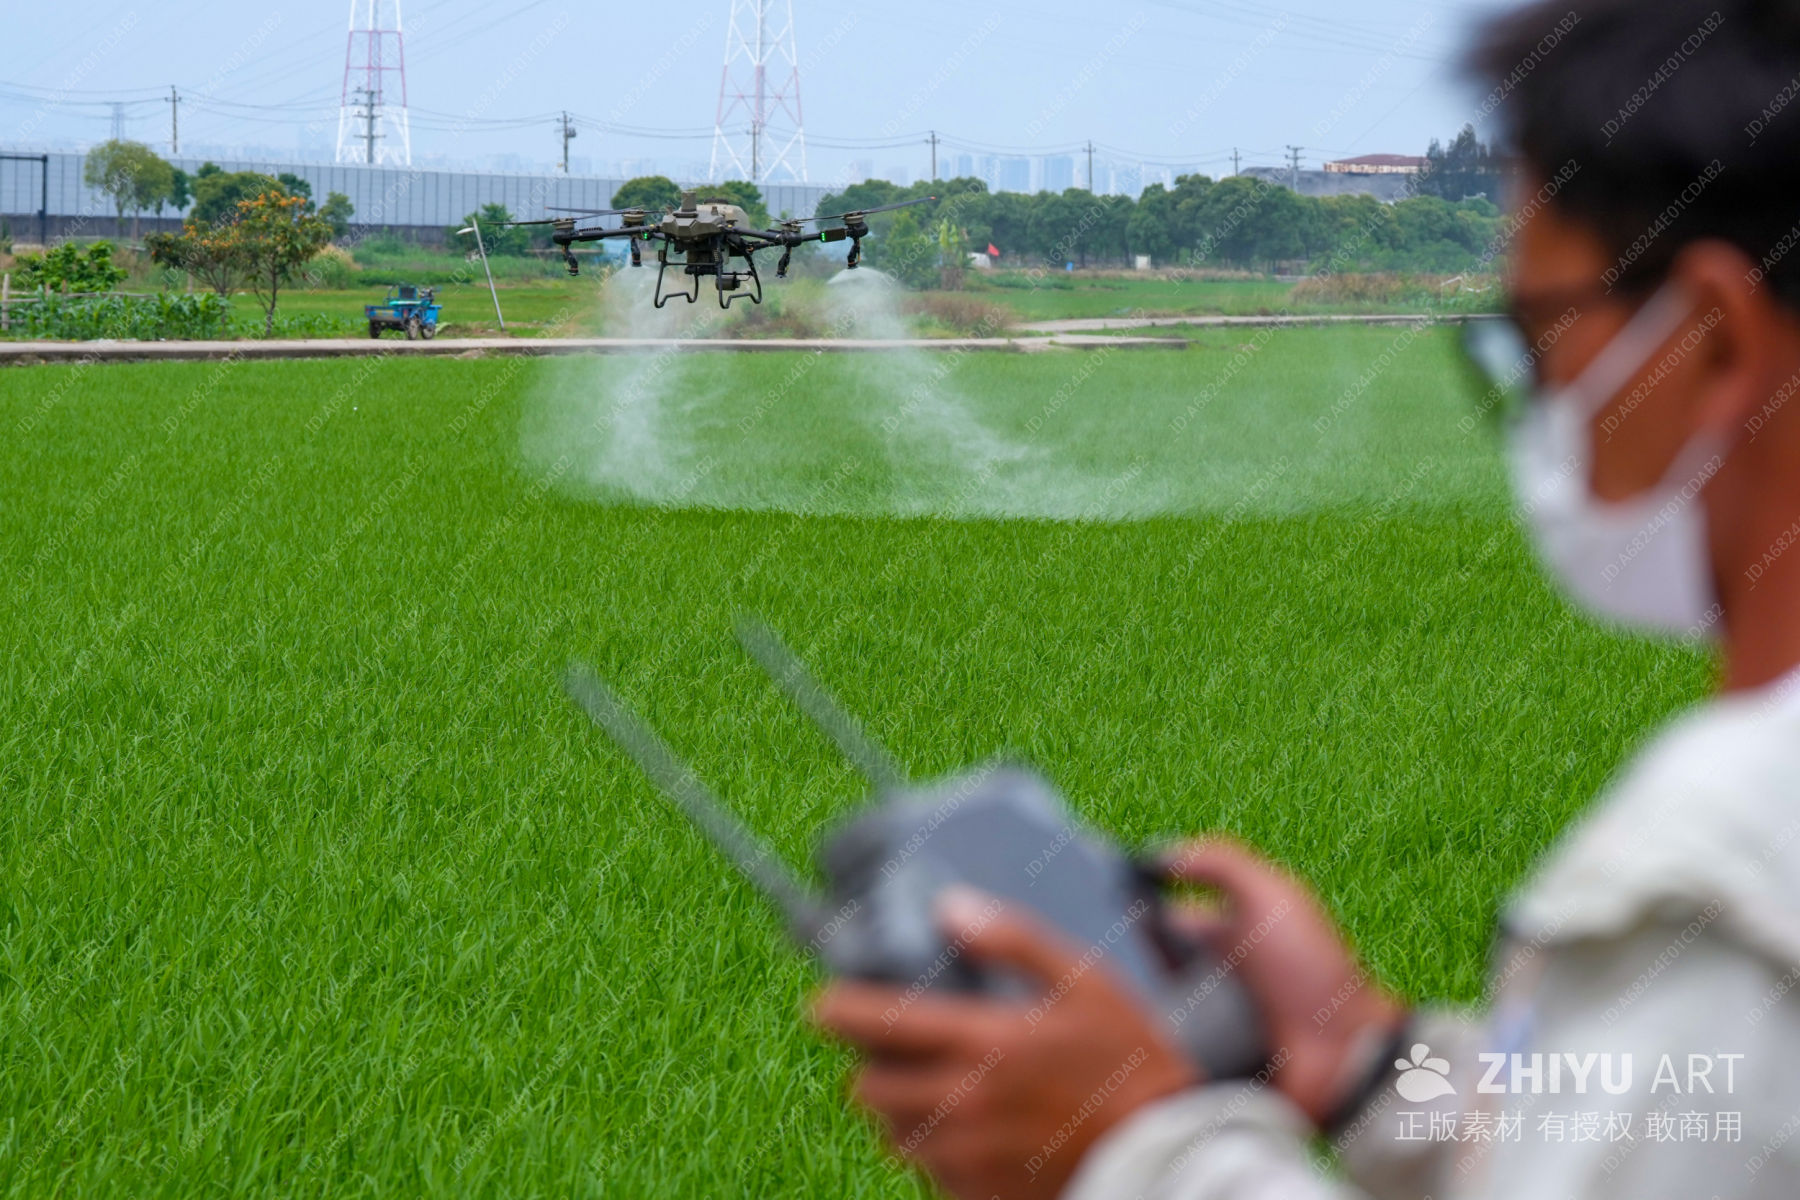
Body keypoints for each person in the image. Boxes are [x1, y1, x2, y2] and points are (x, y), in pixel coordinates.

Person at [811, 0, 1800, 1195]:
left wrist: (1137, 1151)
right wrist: (1374, 1065)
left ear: (1713, 344)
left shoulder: (1728, 882)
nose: (1532, 399)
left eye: (1537, 333)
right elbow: (1655, 1131)